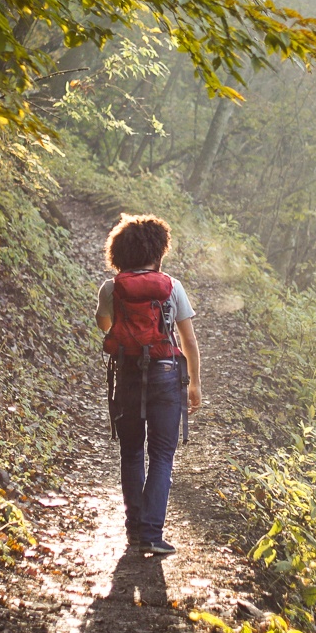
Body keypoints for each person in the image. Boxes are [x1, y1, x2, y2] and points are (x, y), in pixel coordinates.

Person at [95, 214, 202, 555]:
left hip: (127, 373)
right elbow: (188, 339)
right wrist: (195, 383)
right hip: (167, 375)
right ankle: (153, 535)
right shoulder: (172, 286)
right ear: (157, 252)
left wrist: (128, 331)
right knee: (161, 455)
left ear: (120, 253)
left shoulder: (112, 287)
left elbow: (105, 325)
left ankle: (134, 530)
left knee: (131, 452)